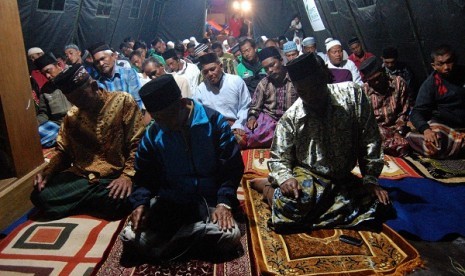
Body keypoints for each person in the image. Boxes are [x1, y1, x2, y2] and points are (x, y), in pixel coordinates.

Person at [250, 53, 390, 231]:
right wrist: (286, 178)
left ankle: (328, 204)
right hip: (310, 175)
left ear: (324, 77)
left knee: (378, 205)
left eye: (314, 88)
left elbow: (370, 138)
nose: (310, 96)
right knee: (290, 204)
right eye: (302, 92)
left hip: (343, 177)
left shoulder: (353, 95)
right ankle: (268, 188)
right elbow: (278, 159)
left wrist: (370, 180)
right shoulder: (291, 118)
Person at [121, 74, 243, 261]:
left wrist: (224, 202)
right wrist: (141, 203)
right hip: (172, 202)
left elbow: (232, 167)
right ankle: (185, 243)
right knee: (129, 236)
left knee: (230, 236)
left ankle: (166, 246)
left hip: (209, 201)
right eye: (157, 118)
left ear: (183, 103)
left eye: (166, 117)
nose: (162, 124)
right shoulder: (154, 133)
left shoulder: (213, 123)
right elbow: (144, 176)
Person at [31, 65, 145, 219]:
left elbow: (137, 142)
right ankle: (95, 202)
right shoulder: (72, 116)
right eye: (73, 101)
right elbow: (64, 152)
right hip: (84, 176)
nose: (79, 104)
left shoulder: (123, 101)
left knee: (119, 199)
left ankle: (82, 202)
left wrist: (127, 176)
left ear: (94, 86)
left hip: (116, 175)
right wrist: (49, 171)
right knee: (40, 196)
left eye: (81, 98)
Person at [406, 44, 465, 159]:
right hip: (448, 128)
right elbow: (417, 112)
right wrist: (426, 130)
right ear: (434, 66)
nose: (446, 67)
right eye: (440, 64)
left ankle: (458, 147)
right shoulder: (431, 84)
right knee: (432, 145)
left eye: (449, 62)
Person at [244, 47, 298, 148]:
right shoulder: (264, 84)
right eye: (266, 69)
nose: (270, 70)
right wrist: (252, 118)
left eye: (272, 65)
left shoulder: (296, 78)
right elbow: (255, 107)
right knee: (251, 135)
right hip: (270, 122)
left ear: (281, 61)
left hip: (292, 121)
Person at [194, 53, 251, 145]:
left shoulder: (236, 81)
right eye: (205, 72)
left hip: (237, 125)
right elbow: (199, 115)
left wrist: (238, 124)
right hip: (215, 130)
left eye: (212, 69)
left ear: (220, 66)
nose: (210, 74)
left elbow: (245, 106)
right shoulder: (200, 89)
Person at [359, 56, 410, 157]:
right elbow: (365, 122)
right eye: (372, 80)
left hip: (399, 126)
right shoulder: (363, 92)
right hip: (378, 130)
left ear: (383, 71)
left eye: (378, 78)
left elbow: (404, 111)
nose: (376, 82)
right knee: (399, 146)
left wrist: (398, 131)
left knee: (429, 142)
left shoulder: (398, 83)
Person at [88, 42, 144, 109]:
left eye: (102, 58)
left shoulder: (129, 73)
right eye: (97, 62)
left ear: (113, 56)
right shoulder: (98, 83)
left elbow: (137, 102)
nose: (101, 64)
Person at [33, 53, 72, 148]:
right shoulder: (45, 90)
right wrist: (34, 123)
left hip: (76, 120)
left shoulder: (72, 79)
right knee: (32, 137)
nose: (47, 76)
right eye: (44, 74)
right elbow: (44, 113)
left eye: (48, 71)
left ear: (58, 65)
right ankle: (63, 137)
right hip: (57, 124)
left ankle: (63, 138)